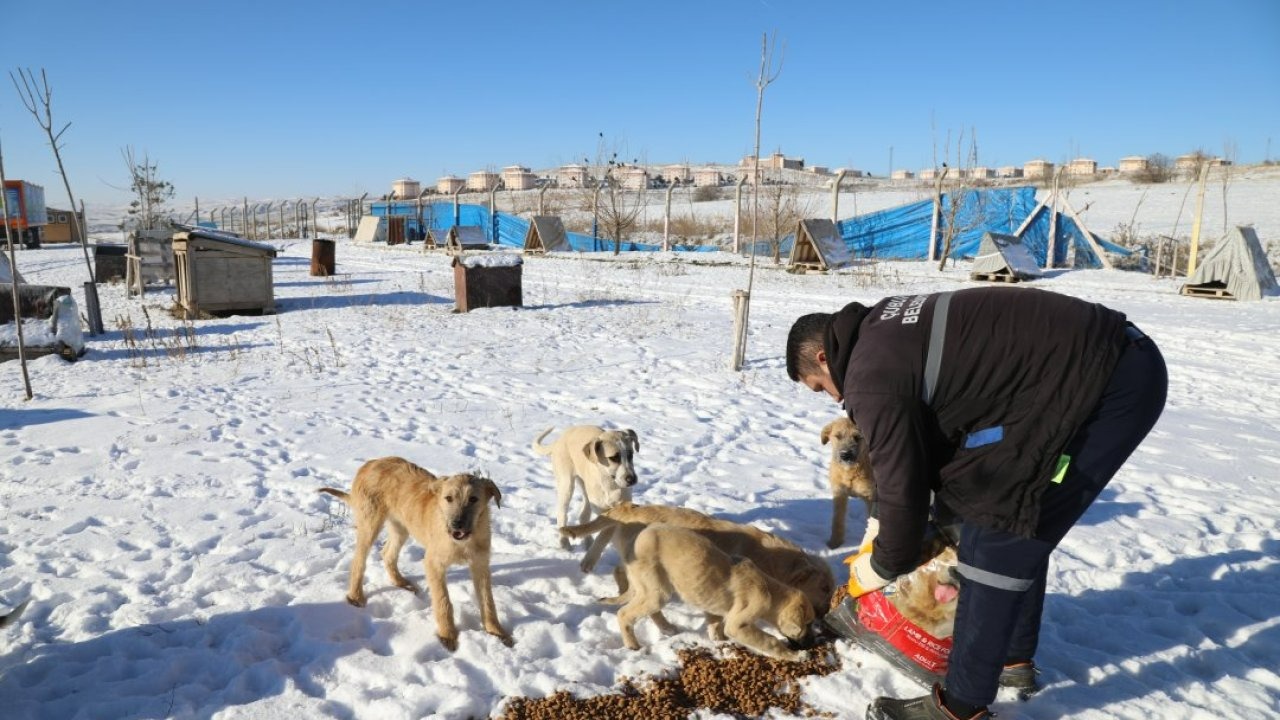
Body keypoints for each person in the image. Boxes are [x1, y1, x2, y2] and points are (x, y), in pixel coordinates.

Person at [785, 287, 1167, 720]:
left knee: (998, 532)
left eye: (821, 388)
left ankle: (961, 707)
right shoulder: (879, 331)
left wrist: (882, 564)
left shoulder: (870, 376)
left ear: (822, 358)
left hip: (1106, 383)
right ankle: (1010, 657)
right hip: (1077, 373)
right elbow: (932, 436)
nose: (835, 400)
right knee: (1005, 505)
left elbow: (900, 487)